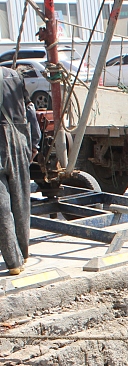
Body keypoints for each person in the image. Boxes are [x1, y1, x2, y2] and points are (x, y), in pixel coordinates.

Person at [0, 66, 41, 276]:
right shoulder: (12, 75)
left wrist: (33, 142)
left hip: (11, 141)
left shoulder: (12, 75)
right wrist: (34, 142)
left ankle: (18, 256)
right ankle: (17, 257)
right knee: (12, 203)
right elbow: (30, 108)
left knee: (12, 204)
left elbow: (28, 108)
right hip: (17, 140)